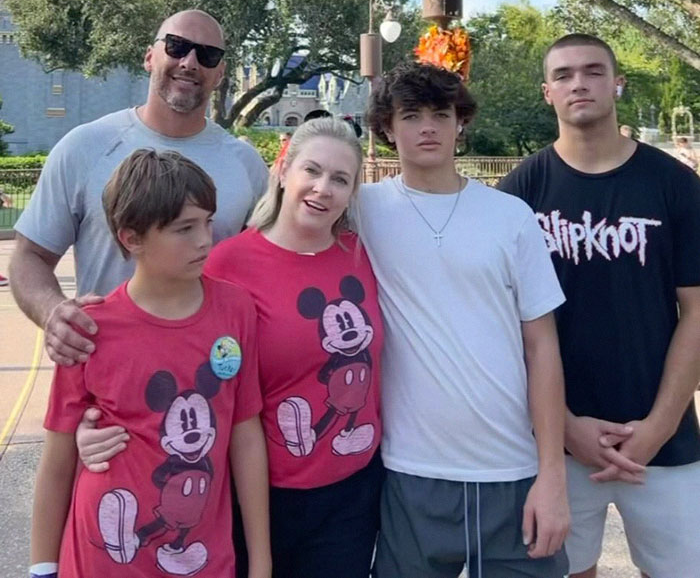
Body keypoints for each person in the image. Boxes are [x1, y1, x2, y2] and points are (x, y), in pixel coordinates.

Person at [75, 118, 384, 578]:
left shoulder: (366, 253)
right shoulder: (226, 264)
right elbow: (164, 351)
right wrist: (93, 422)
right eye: (312, 171)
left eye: (341, 179)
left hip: (351, 496)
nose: (323, 189)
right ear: (283, 168)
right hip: (253, 497)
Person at [499, 33, 700, 578]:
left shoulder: (675, 184)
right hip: (557, 445)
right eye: (563, 75)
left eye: (592, 71)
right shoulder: (518, 191)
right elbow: (505, 327)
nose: (578, 83)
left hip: (662, 441)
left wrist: (658, 427)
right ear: (547, 92)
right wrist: (563, 427)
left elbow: (697, 313)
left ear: (617, 83)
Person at [360, 63, 570, 577]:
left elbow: (542, 348)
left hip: (512, 470)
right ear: (388, 127)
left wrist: (553, 476)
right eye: (411, 115)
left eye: (440, 113)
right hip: (410, 473)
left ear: (461, 123)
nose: (427, 127)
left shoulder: (510, 215)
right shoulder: (360, 210)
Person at [29, 150, 270, 578]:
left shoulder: (235, 309)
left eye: (208, 222)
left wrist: (261, 561)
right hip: (100, 561)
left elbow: (244, 432)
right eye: (184, 228)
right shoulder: (88, 328)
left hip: (203, 558)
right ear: (131, 238)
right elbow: (57, 461)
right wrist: (42, 568)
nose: (205, 240)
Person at [9, 9, 268, 366]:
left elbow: (266, 265)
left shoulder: (247, 165)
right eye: (177, 47)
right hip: (108, 376)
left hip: (212, 378)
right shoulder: (84, 147)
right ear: (150, 56)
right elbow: (30, 255)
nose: (190, 62)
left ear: (220, 74)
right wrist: (52, 313)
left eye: (207, 55)